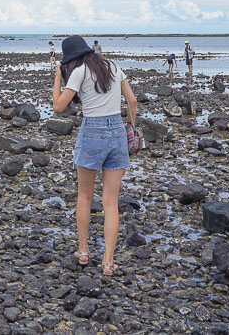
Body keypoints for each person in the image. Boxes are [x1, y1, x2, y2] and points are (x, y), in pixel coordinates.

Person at [52, 35, 137, 277]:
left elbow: (58, 107)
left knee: (84, 196)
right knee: (111, 202)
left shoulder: (78, 72)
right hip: (118, 132)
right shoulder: (113, 66)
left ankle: (83, 250)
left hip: (92, 131)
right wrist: (131, 127)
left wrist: (58, 77)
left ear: (71, 58)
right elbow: (132, 100)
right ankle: (108, 261)